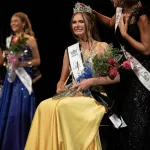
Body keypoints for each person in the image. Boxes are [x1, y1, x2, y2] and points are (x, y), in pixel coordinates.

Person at [25, 3, 120, 150]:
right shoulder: (70, 51)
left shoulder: (103, 47)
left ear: (90, 23)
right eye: (74, 22)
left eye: (81, 21)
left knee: (62, 106)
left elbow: (117, 77)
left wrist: (91, 81)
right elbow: (62, 80)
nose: (77, 25)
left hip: (95, 97)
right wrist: (60, 86)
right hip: (75, 94)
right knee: (43, 106)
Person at [0, 12, 40, 150]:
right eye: (11, 21)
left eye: (16, 21)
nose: (13, 23)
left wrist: (22, 64)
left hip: (23, 80)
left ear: (23, 23)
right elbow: (8, 61)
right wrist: (8, 59)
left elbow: (37, 60)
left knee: (19, 111)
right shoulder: (9, 40)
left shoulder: (29, 39)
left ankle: (23, 144)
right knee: (8, 111)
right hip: (10, 79)